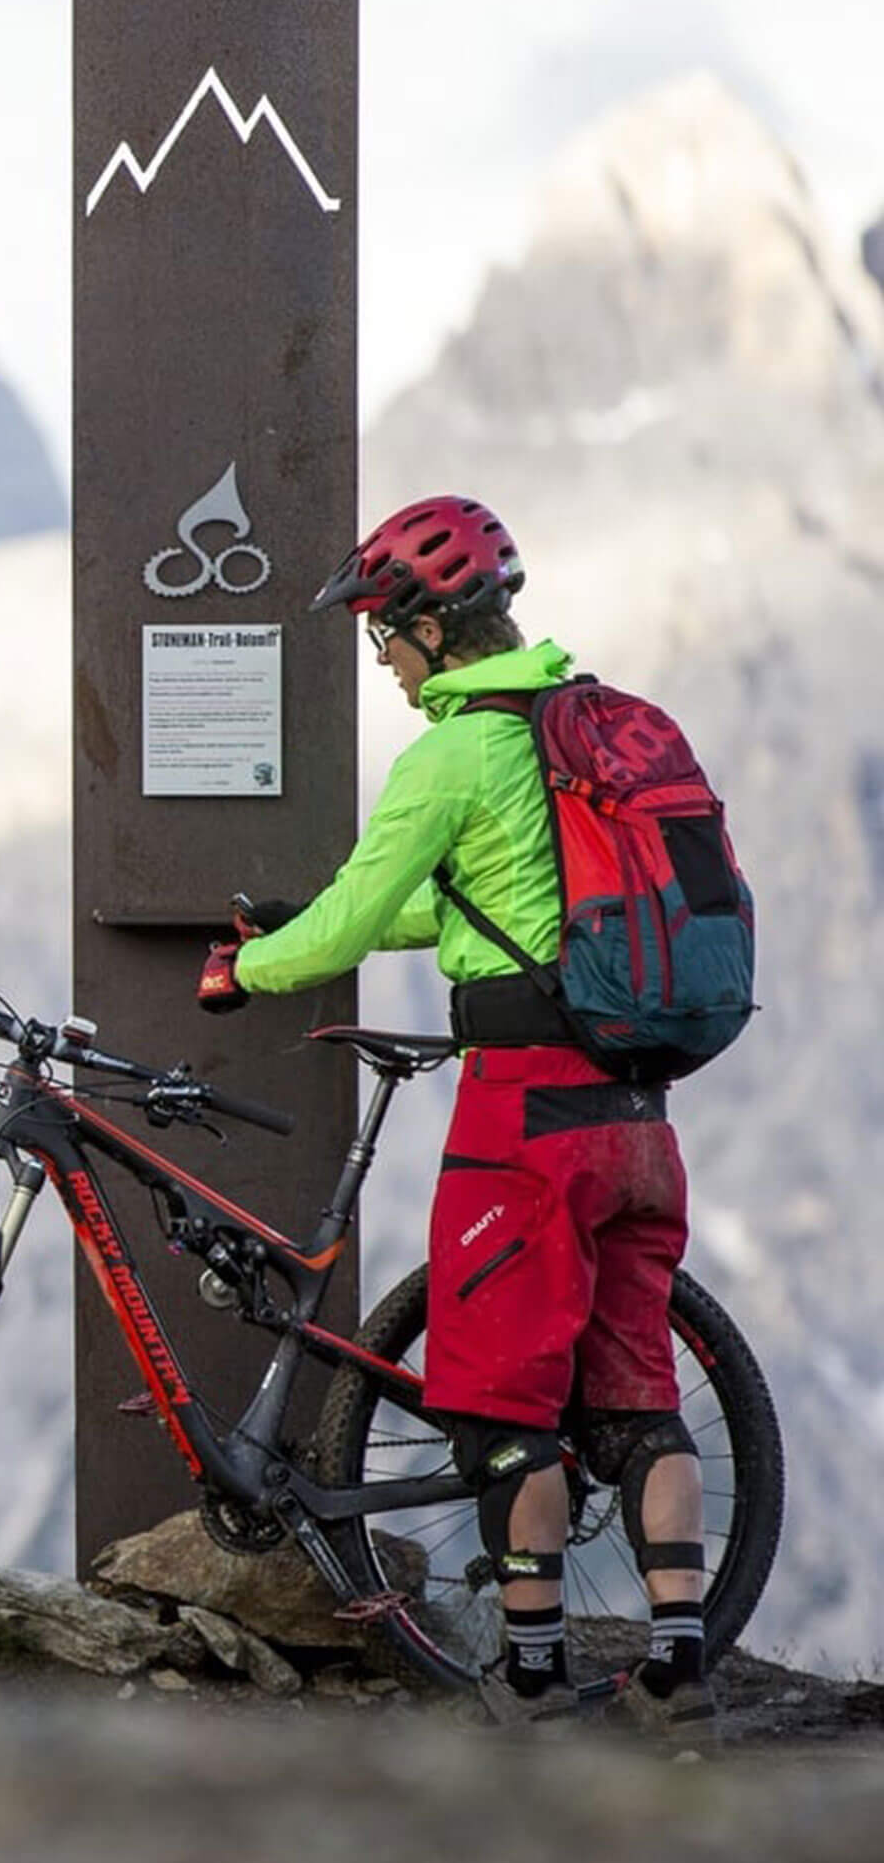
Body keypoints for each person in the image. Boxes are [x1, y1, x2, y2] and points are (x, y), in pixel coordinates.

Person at [197, 495, 712, 1735]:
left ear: (434, 623)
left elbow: (359, 917)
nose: (382, 656)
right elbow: (474, 909)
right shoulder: (571, 732)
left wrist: (244, 970)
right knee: (636, 1396)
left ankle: (530, 1677)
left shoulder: (451, 754)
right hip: (639, 1116)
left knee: (496, 1407)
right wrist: (320, 926)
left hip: (524, 1124)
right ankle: (682, 1675)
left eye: (386, 631)